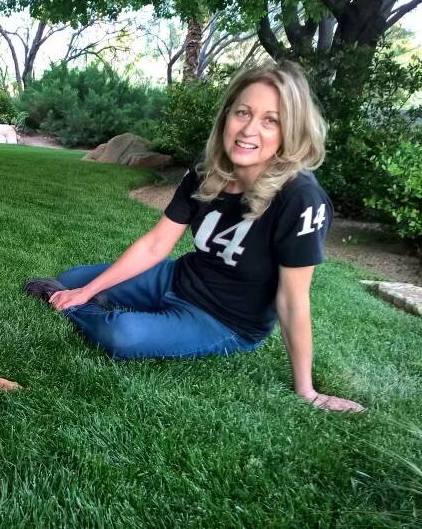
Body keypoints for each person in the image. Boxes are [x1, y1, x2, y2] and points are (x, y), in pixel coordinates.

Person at [24, 61, 363, 412]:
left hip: (224, 319)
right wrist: (87, 290)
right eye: (242, 112)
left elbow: (293, 301)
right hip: (178, 278)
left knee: (121, 335)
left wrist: (306, 391)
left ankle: (98, 311)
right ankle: (93, 300)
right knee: (74, 279)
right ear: (227, 115)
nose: (249, 130)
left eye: (270, 120)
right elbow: (156, 244)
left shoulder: (301, 198)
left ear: (289, 131)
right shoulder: (206, 170)